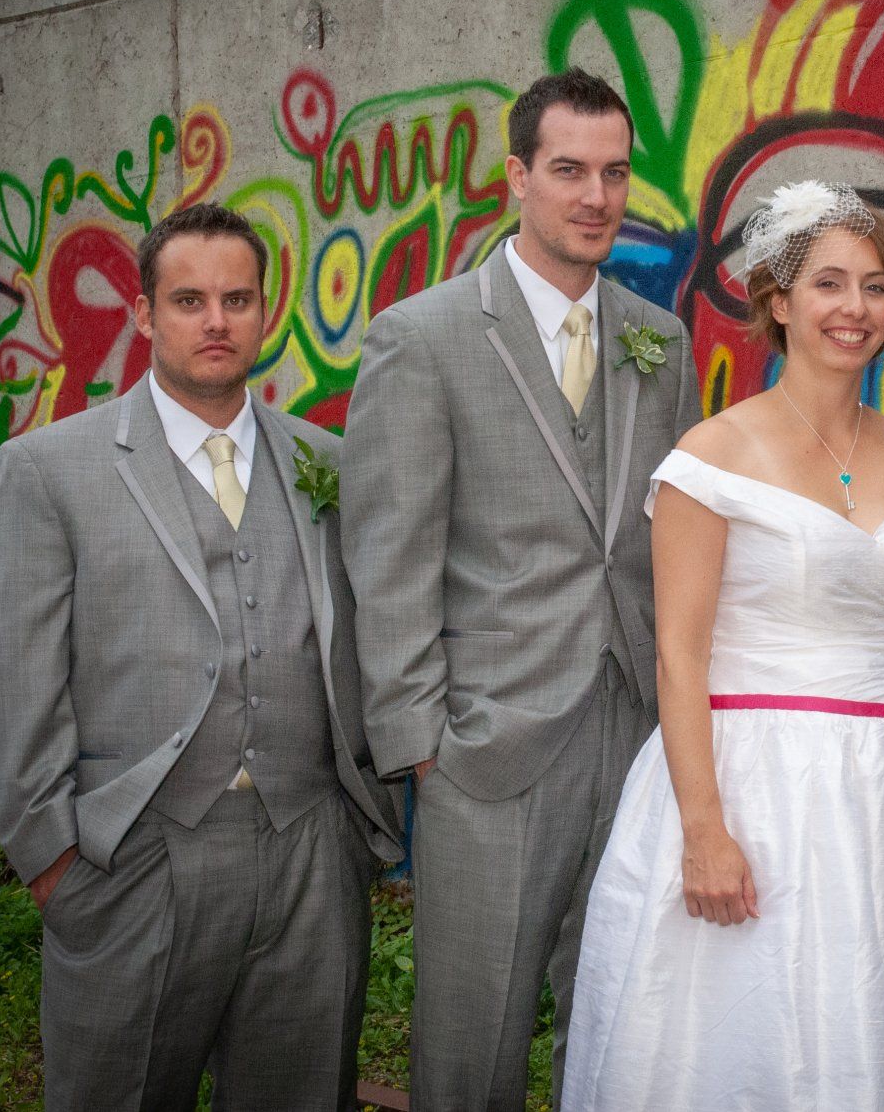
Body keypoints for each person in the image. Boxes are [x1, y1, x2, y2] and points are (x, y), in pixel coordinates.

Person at [563, 181, 884, 1109]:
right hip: (756, 792)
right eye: (828, 283)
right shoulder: (712, 455)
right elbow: (680, 655)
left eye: (874, 286)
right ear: (779, 302)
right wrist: (704, 831)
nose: (855, 307)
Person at [0, 202, 404, 1109]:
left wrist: (355, 830)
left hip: (308, 852)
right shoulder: (49, 469)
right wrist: (55, 863)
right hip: (134, 857)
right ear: (143, 313)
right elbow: (15, 677)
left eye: (236, 299)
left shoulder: (328, 461)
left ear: (264, 311)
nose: (216, 320)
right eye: (189, 300)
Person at [341, 67, 699, 1108]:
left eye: (615, 173)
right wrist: (421, 743)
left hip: (635, 732)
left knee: (624, 1024)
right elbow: (389, 555)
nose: (596, 195)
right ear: (517, 176)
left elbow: (674, 534)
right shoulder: (424, 336)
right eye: (570, 170)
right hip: (485, 747)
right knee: (473, 1040)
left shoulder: (660, 338)